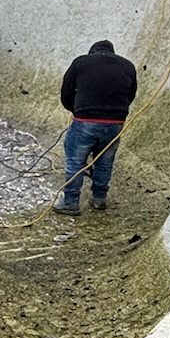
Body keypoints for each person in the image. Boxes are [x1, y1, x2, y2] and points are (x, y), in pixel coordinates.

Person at [54, 39, 139, 215]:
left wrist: (76, 110)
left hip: (86, 120)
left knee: (75, 161)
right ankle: (99, 199)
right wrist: (116, 114)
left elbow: (66, 92)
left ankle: (70, 202)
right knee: (105, 161)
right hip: (115, 124)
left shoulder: (81, 62)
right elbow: (130, 95)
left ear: (92, 52)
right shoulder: (128, 66)